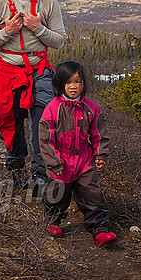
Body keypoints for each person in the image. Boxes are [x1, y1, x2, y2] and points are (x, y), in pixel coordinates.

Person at [0, 0, 67, 194]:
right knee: (12, 122)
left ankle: (40, 175)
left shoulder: (47, 1)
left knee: (43, 125)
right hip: (7, 72)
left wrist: (37, 28)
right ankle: (16, 171)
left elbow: (59, 40)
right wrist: (6, 31)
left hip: (39, 71)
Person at [38, 61, 117, 247]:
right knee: (56, 193)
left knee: (92, 195)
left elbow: (99, 134)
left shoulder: (92, 108)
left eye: (77, 81)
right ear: (59, 84)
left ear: (83, 84)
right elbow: (45, 140)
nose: (73, 86)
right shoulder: (52, 109)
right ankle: (52, 223)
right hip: (61, 160)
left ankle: (100, 230)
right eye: (68, 82)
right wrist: (54, 163)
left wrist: (100, 155)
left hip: (84, 161)